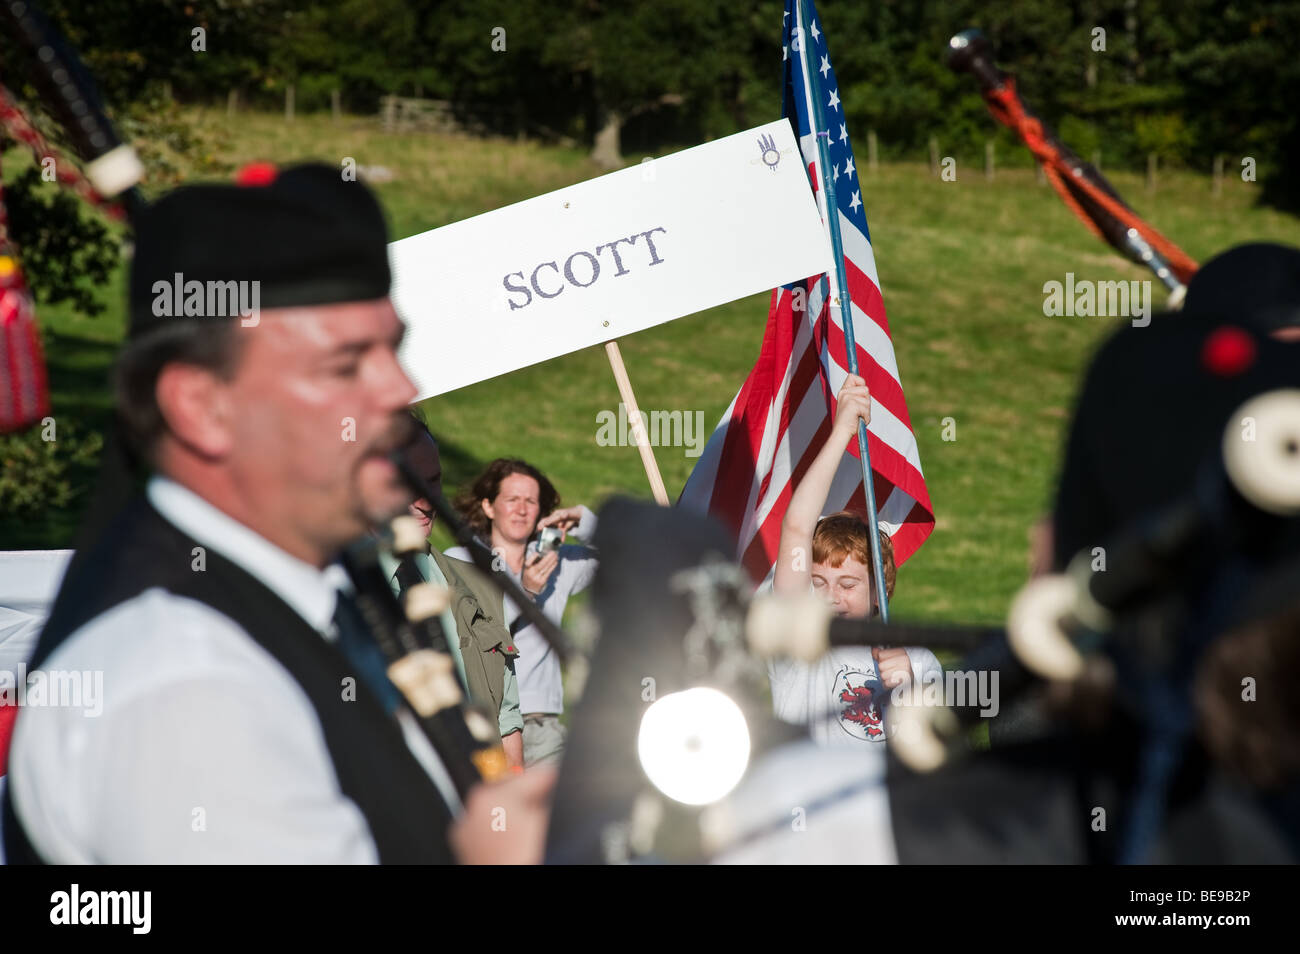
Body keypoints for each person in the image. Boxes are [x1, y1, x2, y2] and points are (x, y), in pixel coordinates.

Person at [1, 163, 552, 864]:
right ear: (202, 407)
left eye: (393, 347)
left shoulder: (331, 585)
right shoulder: (182, 687)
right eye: (346, 364)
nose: (401, 387)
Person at [769, 373, 941, 747]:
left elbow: (941, 749)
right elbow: (797, 529)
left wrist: (911, 690)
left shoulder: (919, 659)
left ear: (881, 592)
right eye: (817, 583)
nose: (831, 597)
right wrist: (842, 431)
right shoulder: (795, 647)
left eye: (848, 585)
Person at [382, 414, 524, 770]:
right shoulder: (340, 597)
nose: (426, 503)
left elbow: (507, 720)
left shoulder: (478, 583)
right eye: (408, 485)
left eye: (433, 482)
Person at [449, 459, 598, 767]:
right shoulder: (460, 561)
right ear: (489, 507)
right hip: (486, 724)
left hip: (542, 727)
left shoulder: (557, 561)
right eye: (512, 499)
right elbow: (480, 634)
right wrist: (526, 591)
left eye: (531, 501)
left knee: (556, 812)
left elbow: (622, 555)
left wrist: (582, 519)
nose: (522, 509)